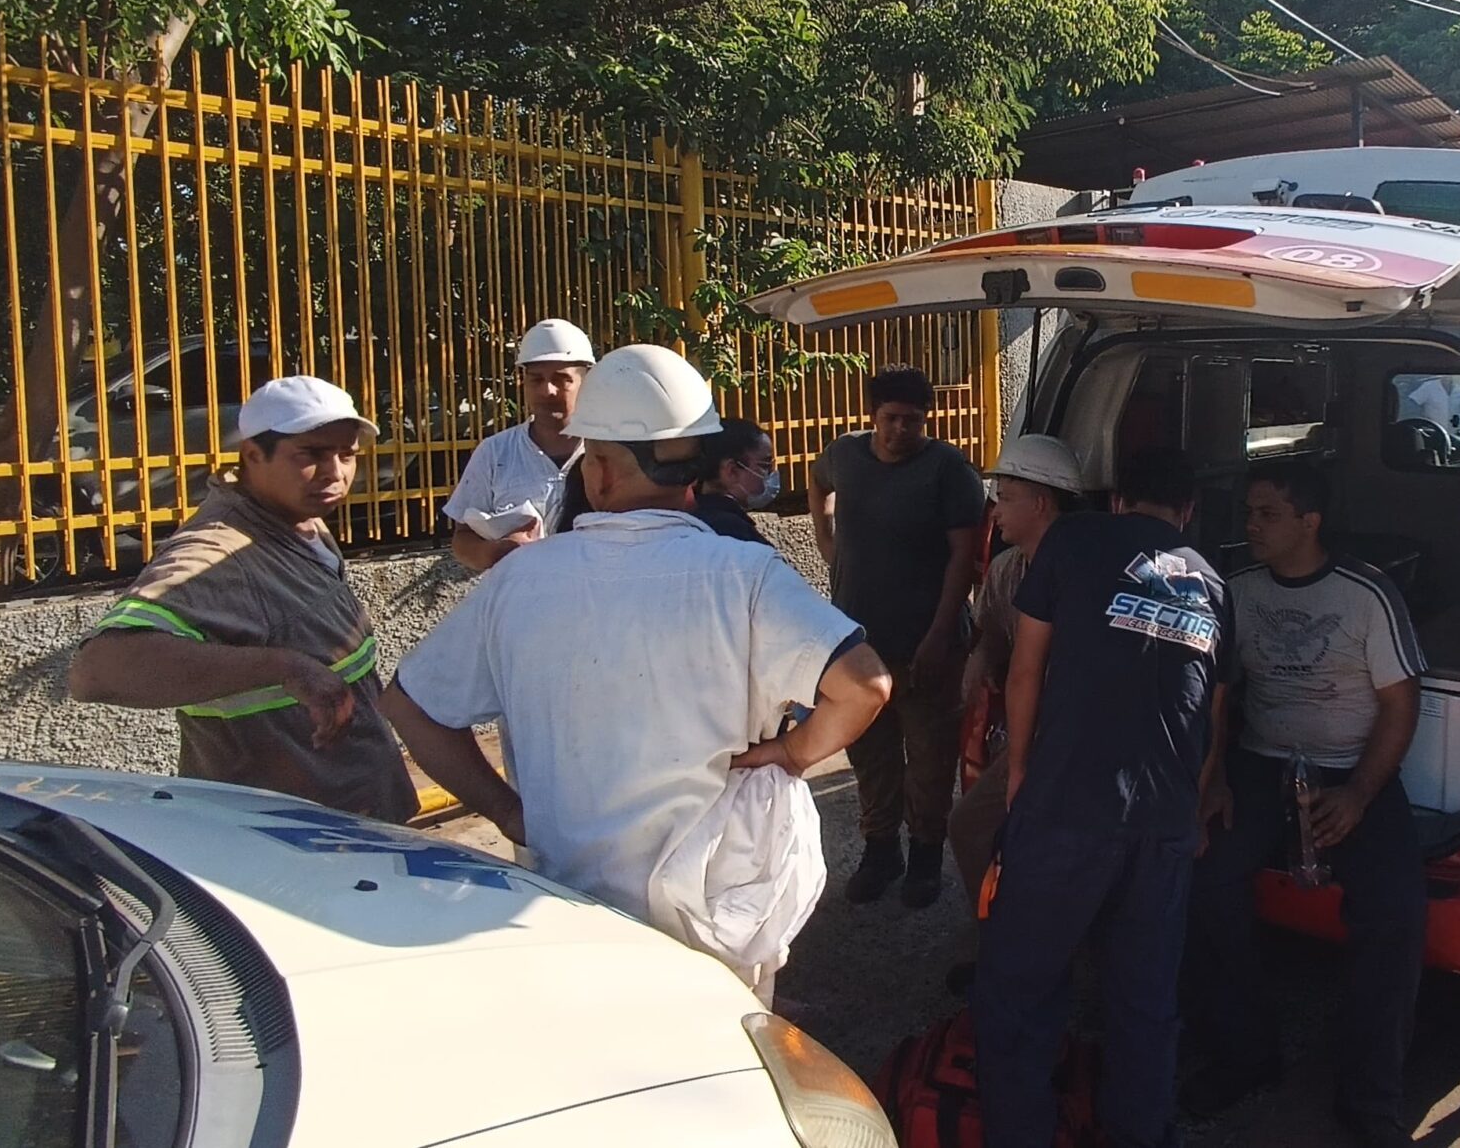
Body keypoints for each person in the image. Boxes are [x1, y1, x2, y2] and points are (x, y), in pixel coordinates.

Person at [381, 344, 894, 949]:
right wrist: (793, 752)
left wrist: (506, 811)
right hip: (716, 906)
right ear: (698, 468)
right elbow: (865, 686)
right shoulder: (747, 575)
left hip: (566, 902)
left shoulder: (520, 579)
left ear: (595, 470)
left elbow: (411, 707)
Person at [973, 448, 1230, 1148]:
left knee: (1021, 989)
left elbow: (1026, 670)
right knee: (1144, 1001)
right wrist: (1201, 798)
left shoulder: (1072, 540)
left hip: (1070, 805)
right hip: (1165, 819)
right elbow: (1215, 711)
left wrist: (1020, 767)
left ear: (1116, 501)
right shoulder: (1213, 580)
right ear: (1188, 512)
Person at [1184, 460, 1426, 1148]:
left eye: (1267, 514)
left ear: (1309, 522)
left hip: (1352, 770)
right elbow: (1216, 697)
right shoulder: (1235, 590)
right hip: (1259, 767)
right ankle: (1244, 1053)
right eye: (1249, 513)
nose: (1251, 525)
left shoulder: (1365, 596)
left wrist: (1357, 794)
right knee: (1205, 878)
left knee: (1396, 910)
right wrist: (1214, 779)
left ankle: (1370, 1097)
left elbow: (1400, 704)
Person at [68, 377, 418, 823]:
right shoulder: (218, 552)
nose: (335, 472)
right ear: (254, 455)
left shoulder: (298, 519)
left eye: (346, 454)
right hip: (289, 841)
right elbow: (97, 671)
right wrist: (285, 668)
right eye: (310, 455)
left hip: (355, 811)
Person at [812, 367, 986, 908]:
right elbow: (818, 483)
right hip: (860, 642)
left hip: (927, 645)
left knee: (930, 758)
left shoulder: (947, 469)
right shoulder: (845, 455)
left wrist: (940, 632)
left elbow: (965, 555)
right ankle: (879, 850)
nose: (899, 430)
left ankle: (926, 859)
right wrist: (827, 541)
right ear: (872, 416)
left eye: (913, 421)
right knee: (870, 754)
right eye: (890, 419)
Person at [946, 433, 1085, 904]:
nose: (995, 511)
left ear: (1042, 503)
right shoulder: (1007, 570)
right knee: (973, 830)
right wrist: (979, 664)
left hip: (1073, 738)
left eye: (1005, 499)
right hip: (1027, 733)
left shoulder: (1090, 575)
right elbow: (991, 639)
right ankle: (997, 937)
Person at [445, 318, 594, 571]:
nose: (548, 390)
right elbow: (463, 536)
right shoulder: (495, 453)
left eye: (561, 379)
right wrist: (493, 553)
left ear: (587, 382)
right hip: (521, 601)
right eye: (536, 379)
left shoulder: (609, 453)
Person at [692, 416, 780, 546]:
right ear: (732, 470)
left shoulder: (687, 518)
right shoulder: (735, 532)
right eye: (765, 465)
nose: (771, 473)